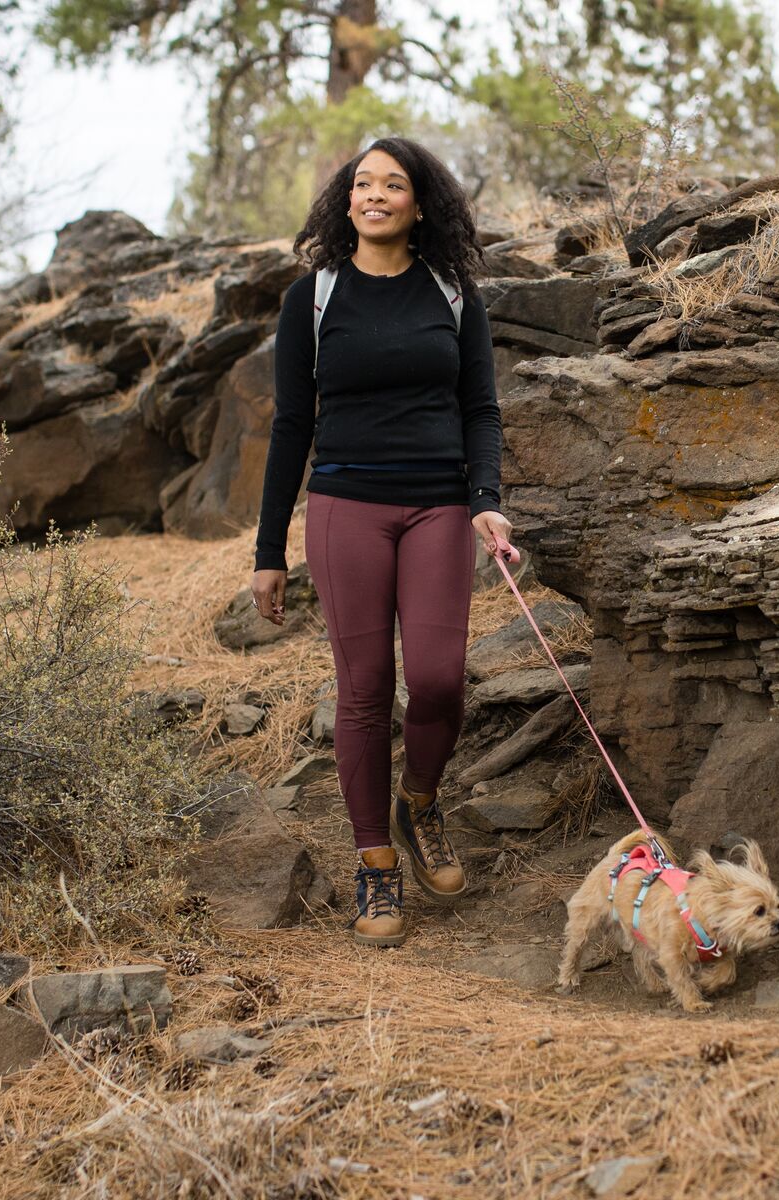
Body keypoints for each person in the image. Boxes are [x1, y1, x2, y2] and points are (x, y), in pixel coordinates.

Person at [251, 136, 516, 948]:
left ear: (419, 203)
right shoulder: (314, 299)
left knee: (436, 680)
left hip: (438, 508)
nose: (374, 196)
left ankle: (421, 801)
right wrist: (269, 552)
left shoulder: (453, 292)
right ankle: (376, 864)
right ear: (346, 201)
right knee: (363, 688)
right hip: (346, 507)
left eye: (391, 185)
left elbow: (481, 408)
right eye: (361, 184)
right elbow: (293, 423)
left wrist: (487, 501)